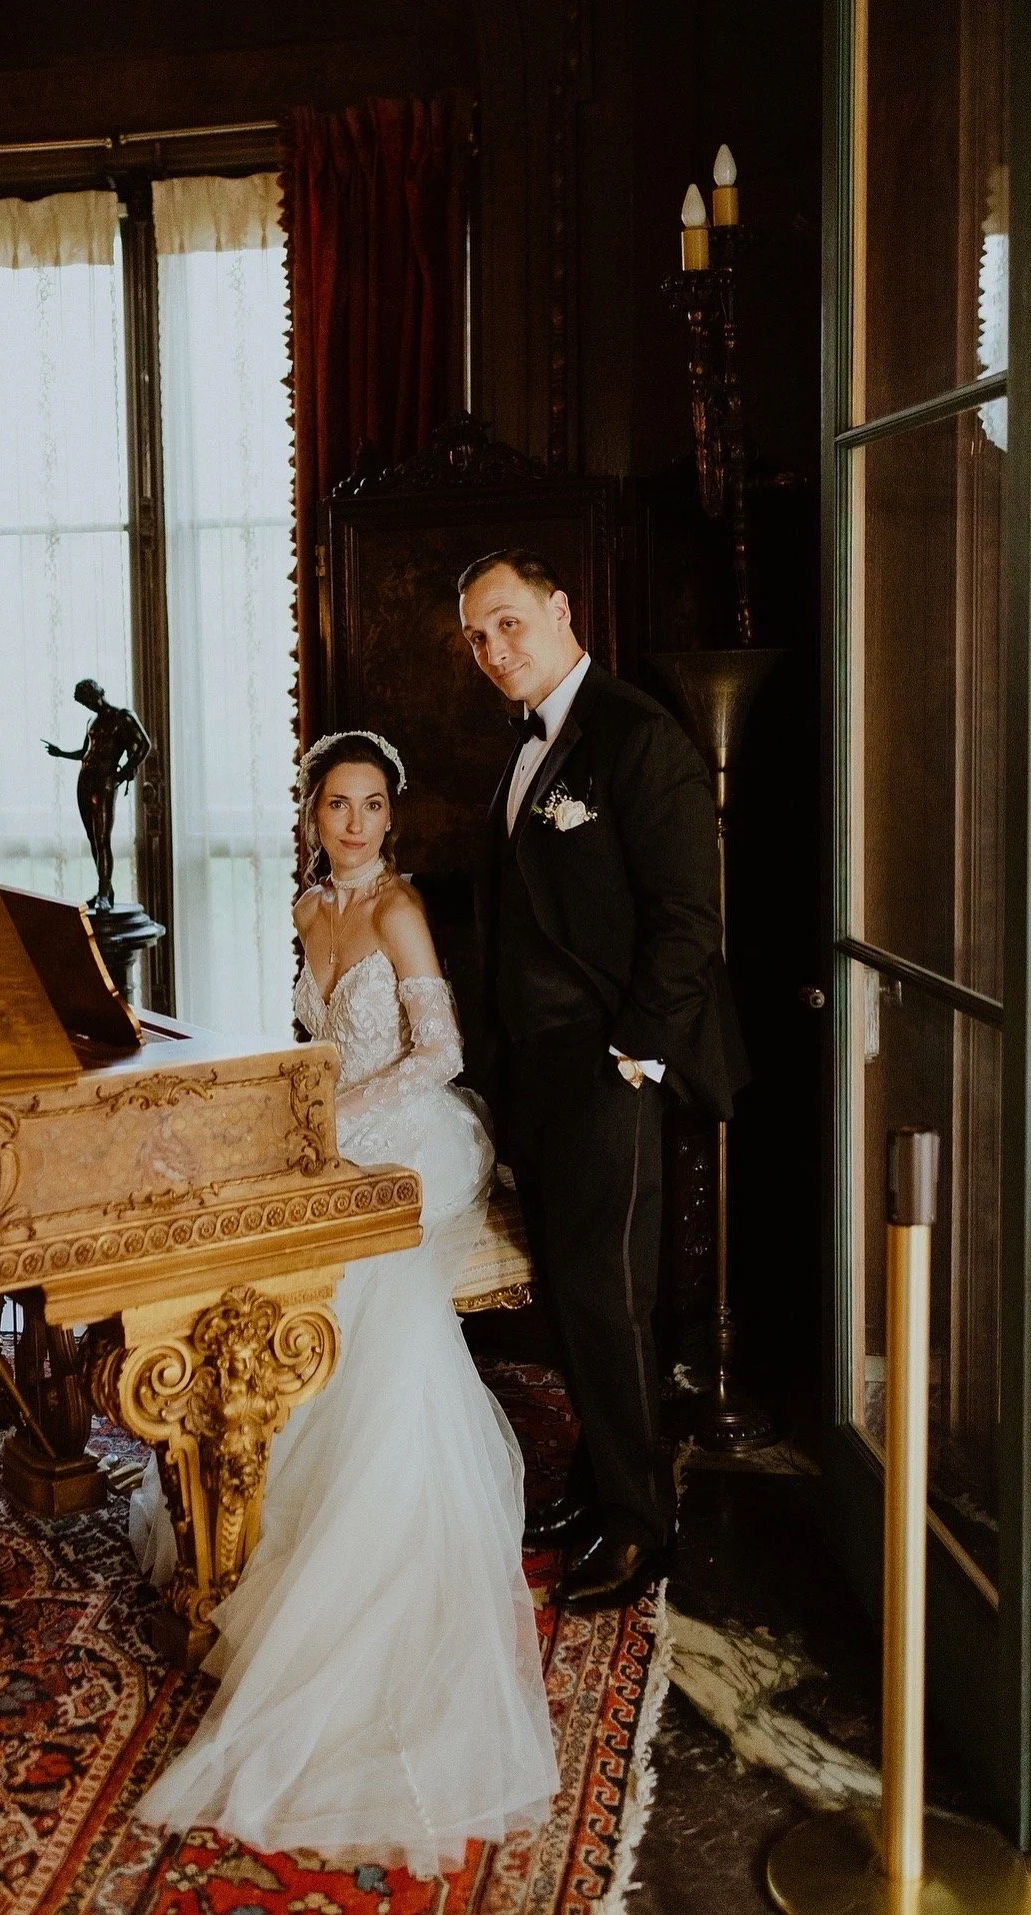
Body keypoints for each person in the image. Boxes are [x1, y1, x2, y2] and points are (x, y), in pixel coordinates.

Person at [131, 730, 558, 1877]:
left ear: (392, 820)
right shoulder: (310, 906)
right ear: (313, 815)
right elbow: (311, 1037)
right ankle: (246, 1494)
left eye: (373, 806)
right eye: (338, 804)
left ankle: (355, 1565)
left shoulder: (399, 912)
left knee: (367, 1296)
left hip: (417, 1135)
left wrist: (339, 1123)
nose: (356, 822)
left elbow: (440, 1049)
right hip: (336, 1125)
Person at [462, 548, 749, 1611]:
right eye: (478, 639)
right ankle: (597, 1484)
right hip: (537, 1072)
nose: (495, 651)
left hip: (608, 1066)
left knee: (610, 1297)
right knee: (577, 1300)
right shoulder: (523, 746)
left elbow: (688, 921)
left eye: (508, 624)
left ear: (561, 608)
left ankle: (643, 1526)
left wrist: (635, 1055)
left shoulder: (637, 735)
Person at [42, 679, 152, 911]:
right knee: (93, 838)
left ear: (98, 694)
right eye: (84, 703)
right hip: (85, 780)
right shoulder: (92, 721)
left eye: (88, 700)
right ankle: (106, 890)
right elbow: (85, 752)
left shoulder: (123, 717)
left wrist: (127, 770)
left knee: (102, 839)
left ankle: (104, 892)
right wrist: (61, 753)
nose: (88, 705)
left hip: (104, 781)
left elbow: (143, 745)